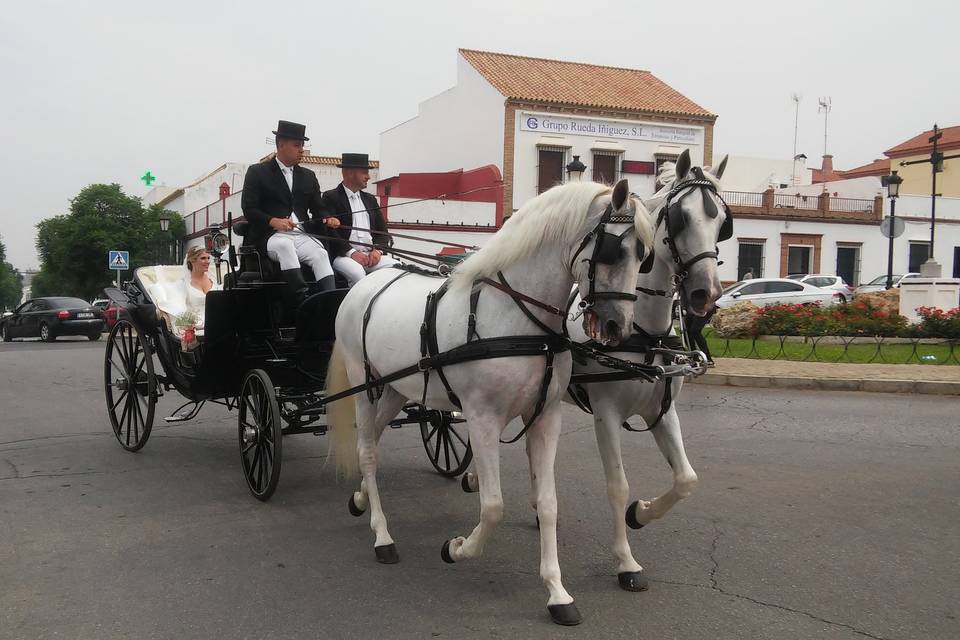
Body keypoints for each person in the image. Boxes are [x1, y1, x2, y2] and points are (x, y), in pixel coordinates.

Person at [240, 120, 341, 307]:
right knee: (284, 247)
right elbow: (249, 208)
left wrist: (328, 217)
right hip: (271, 236)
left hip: (300, 234)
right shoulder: (257, 172)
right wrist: (273, 221)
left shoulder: (308, 176)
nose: (301, 150)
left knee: (320, 253)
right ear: (280, 145)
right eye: (297, 145)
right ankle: (301, 301)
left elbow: (318, 207)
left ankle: (330, 303)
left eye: (302, 145)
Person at [321, 153, 398, 286]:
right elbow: (330, 233)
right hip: (343, 256)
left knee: (398, 268)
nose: (368, 177)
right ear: (350, 173)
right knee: (358, 274)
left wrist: (377, 251)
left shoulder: (370, 199)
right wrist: (352, 253)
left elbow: (382, 232)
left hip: (370, 256)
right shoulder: (331, 197)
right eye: (364, 172)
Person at [183, 246, 221, 328]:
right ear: (192, 260)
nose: (207, 261)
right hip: (197, 327)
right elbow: (181, 308)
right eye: (203, 258)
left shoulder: (214, 280)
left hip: (217, 322)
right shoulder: (184, 284)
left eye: (208, 258)